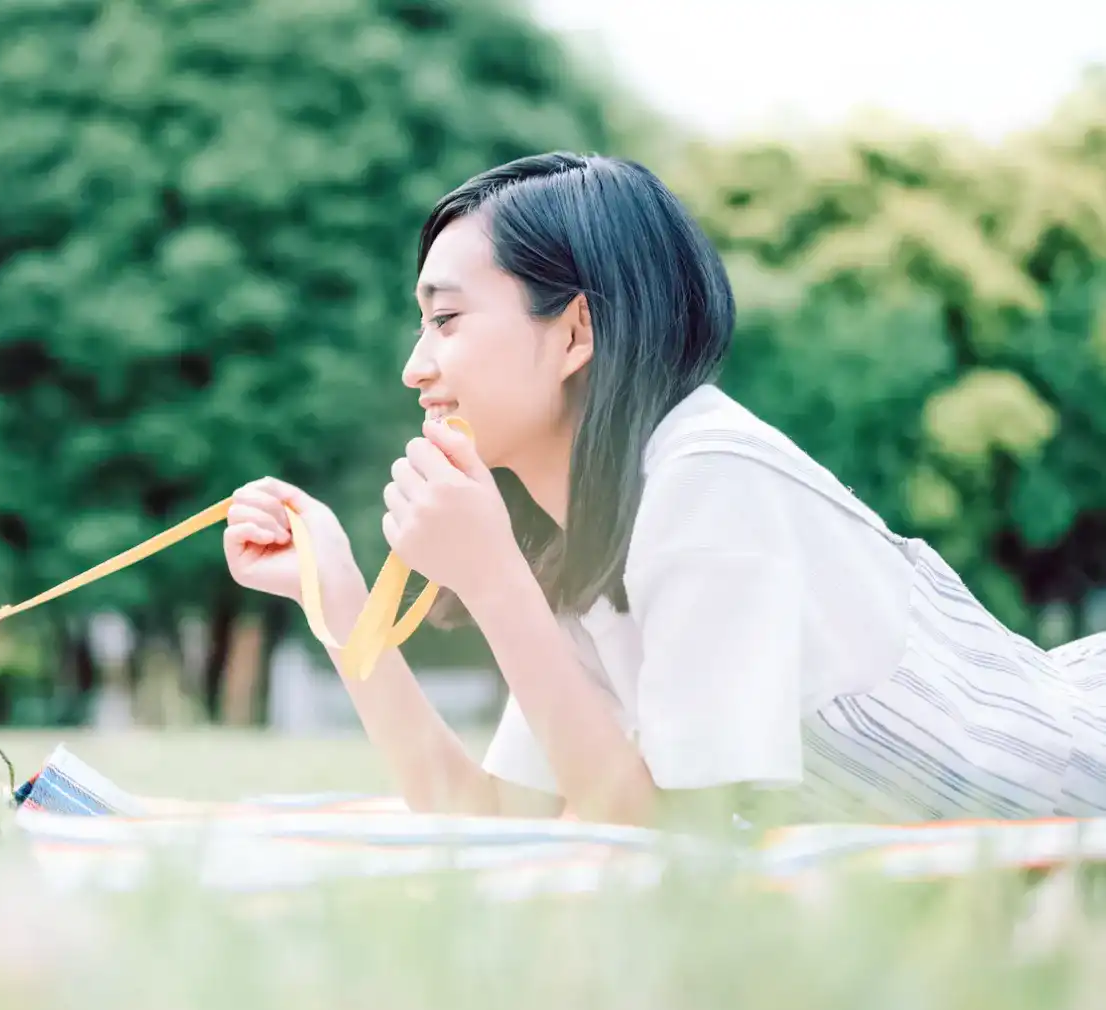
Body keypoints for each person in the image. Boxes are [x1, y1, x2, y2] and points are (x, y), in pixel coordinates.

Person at [221, 151, 1106, 829]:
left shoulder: (709, 482)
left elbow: (676, 851)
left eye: (447, 319)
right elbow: (494, 825)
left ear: (574, 331)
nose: (417, 368)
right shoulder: (578, 523)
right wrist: (335, 600)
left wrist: (494, 580)